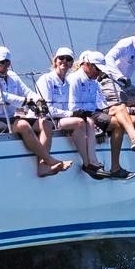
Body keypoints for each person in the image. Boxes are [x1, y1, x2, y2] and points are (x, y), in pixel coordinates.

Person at [0, 45, 72, 177]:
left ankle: (43, 166)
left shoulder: (13, 76)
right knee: (23, 125)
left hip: (8, 119)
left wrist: (38, 100)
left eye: (0, 62)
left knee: (46, 124)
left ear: (8, 64)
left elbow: (27, 91)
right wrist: (26, 101)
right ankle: (50, 160)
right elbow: (1, 97)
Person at [67, 51, 135, 180]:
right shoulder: (74, 79)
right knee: (117, 123)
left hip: (95, 113)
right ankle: (116, 166)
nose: (99, 73)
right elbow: (72, 108)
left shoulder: (94, 82)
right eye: (97, 69)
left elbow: (102, 105)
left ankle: (134, 140)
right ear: (87, 64)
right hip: (83, 115)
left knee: (123, 109)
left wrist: (129, 110)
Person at [36, 46, 108, 180]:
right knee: (79, 122)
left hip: (61, 119)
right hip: (48, 119)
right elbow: (46, 109)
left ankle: (93, 162)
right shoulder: (46, 79)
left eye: (68, 59)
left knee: (89, 121)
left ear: (71, 63)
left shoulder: (68, 82)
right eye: (61, 58)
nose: (64, 61)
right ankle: (87, 163)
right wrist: (70, 114)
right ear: (55, 60)